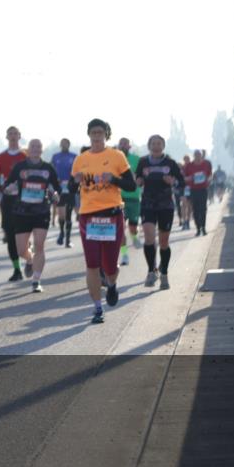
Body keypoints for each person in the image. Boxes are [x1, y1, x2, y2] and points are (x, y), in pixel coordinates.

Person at [71, 119, 137, 324]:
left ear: (106, 135)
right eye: (93, 132)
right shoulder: (81, 159)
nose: (97, 136)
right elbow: (72, 188)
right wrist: (75, 182)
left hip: (112, 215)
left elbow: (131, 185)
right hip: (89, 216)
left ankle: (112, 284)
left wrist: (114, 180)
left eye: (100, 132)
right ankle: (97, 308)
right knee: (92, 264)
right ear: (89, 135)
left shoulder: (116, 156)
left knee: (110, 265)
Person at [4, 139, 61, 293]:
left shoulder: (48, 168)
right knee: (21, 251)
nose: (35, 149)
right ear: (28, 150)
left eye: (38, 146)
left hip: (41, 211)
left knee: (39, 245)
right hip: (22, 212)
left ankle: (36, 280)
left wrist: (56, 195)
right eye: (33, 146)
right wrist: (9, 188)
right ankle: (29, 259)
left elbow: (57, 188)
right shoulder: (19, 167)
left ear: (42, 150)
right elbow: (8, 184)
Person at [136, 135, 184, 289]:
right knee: (149, 238)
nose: (156, 146)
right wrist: (139, 181)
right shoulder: (143, 162)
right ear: (149, 146)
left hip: (165, 205)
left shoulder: (170, 163)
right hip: (148, 203)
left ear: (163, 146)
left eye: (159, 144)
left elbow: (181, 182)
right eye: (153, 144)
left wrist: (173, 181)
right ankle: (151, 271)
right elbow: (138, 179)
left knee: (163, 242)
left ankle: (164, 273)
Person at [0, 127, 28, 281]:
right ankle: (17, 269)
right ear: (6, 137)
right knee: (10, 236)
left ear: (19, 136)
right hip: (7, 200)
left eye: (15, 134)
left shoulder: (25, 155)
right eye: (10, 134)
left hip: (24, 200)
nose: (13, 136)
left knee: (24, 234)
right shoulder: (1, 157)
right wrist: (1, 189)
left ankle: (29, 255)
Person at [117, 137, 142, 265]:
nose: (123, 146)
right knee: (121, 229)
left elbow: (141, 176)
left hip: (134, 196)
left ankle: (135, 236)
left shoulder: (136, 159)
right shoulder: (114, 159)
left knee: (133, 227)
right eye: (121, 143)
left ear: (129, 146)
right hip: (119, 198)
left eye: (125, 144)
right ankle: (124, 254)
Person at [50, 138, 77, 247]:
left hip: (70, 188)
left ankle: (68, 240)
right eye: (62, 143)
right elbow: (50, 171)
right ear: (60, 145)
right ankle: (61, 233)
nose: (64, 145)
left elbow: (77, 172)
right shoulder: (55, 157)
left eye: (66, 143)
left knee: (69, 215)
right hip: (59, 188)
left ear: (69, 144)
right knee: (61, 214)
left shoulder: (74, 156)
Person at [184, 148, 213, 236]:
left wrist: (208, 179)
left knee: (203, 209)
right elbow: (184, 178)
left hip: (203, 189)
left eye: (199, 155)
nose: (198, 157)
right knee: (195, 209)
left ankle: (203, 228)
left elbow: (210, 175)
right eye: (196, 155)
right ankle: (198, 228)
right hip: (193, 190)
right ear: (194, 156)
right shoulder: (189, 166)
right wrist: (191, 178)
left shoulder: (206, 164)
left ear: (201, 156)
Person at [179, 154, 193, 230]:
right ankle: (184, 221)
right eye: (185, 159)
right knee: (184, 205)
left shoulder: (192, 166)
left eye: (188, 159)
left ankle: (188, 221)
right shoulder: (182, 168)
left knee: (190, 206)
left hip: (191, 188)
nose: (186, 161)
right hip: (183, 188)